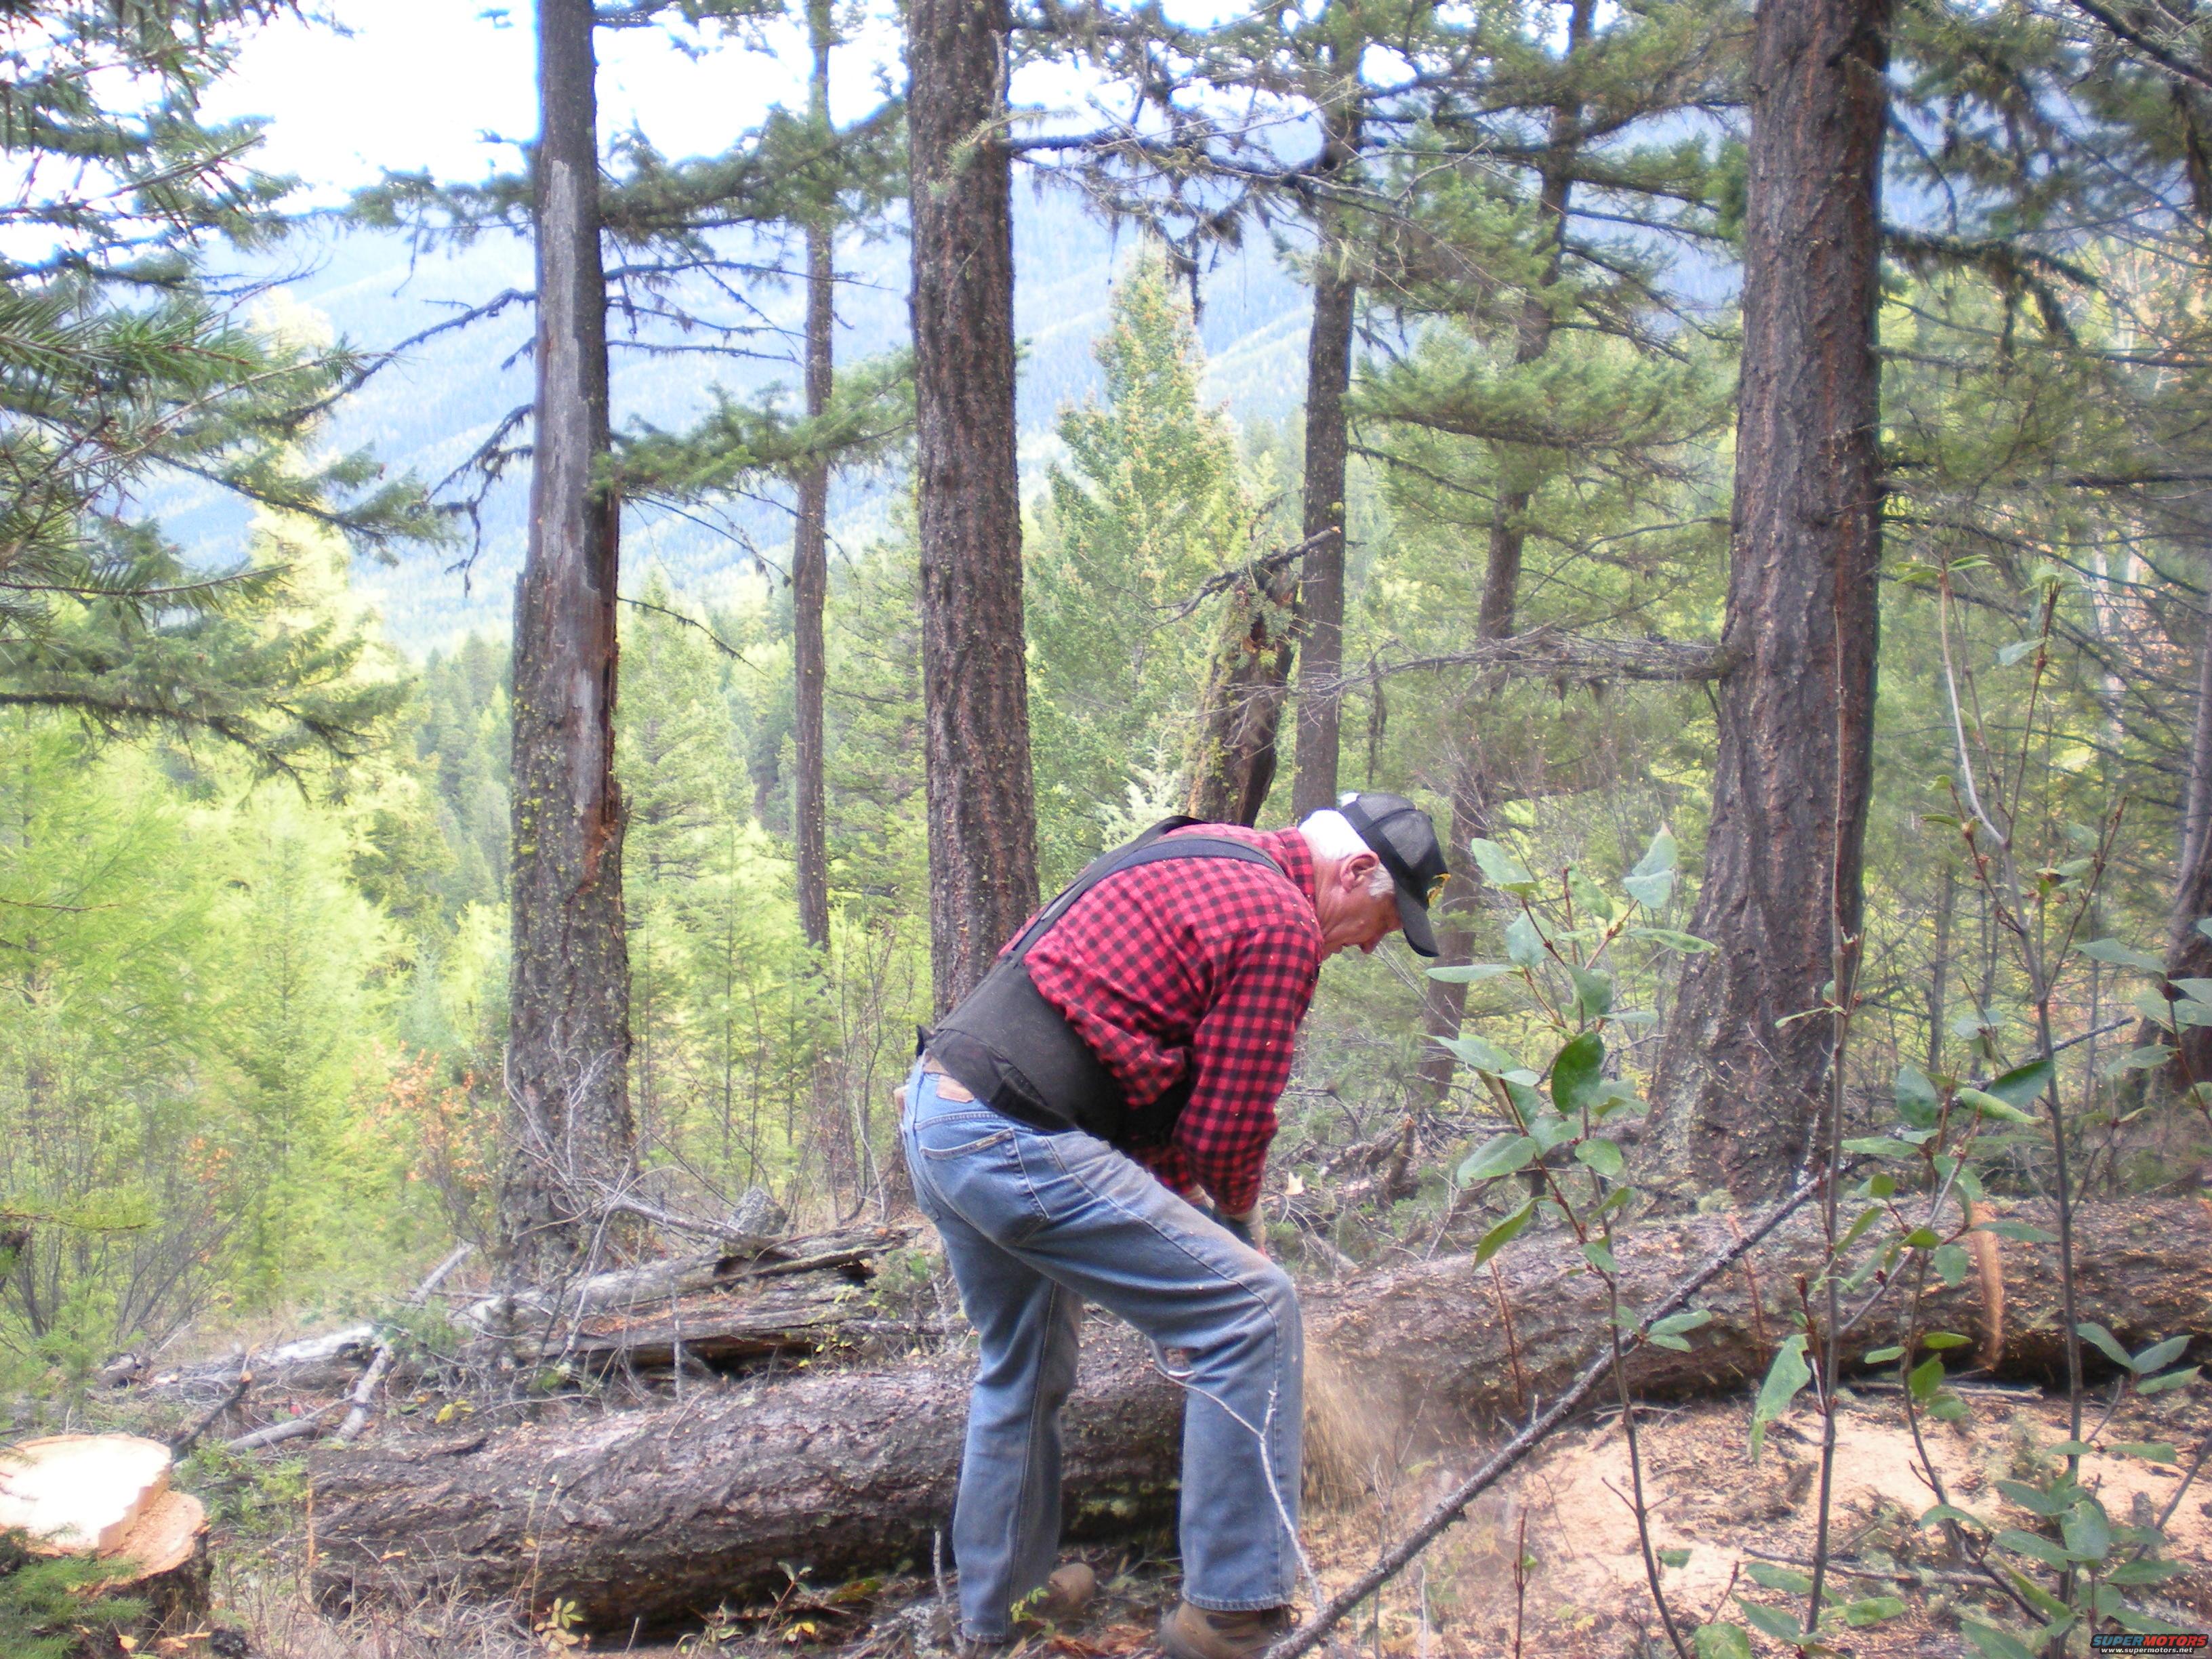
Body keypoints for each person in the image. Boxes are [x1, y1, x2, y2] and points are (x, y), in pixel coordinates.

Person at [899, 792, 1449, 1659]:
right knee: (1253, 1309)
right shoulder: (1280, 922)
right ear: (1353, 871)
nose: (1374, 944)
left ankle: (1002, 1610)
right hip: (1014, 1135)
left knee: (1024, 1365)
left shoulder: (1201, 847)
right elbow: (1224, 1133)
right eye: (1383, 920)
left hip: (944, 1111)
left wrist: (1198, 1231)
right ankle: (1231, 1615)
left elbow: (1140, 1072)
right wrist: (1239, 1231)